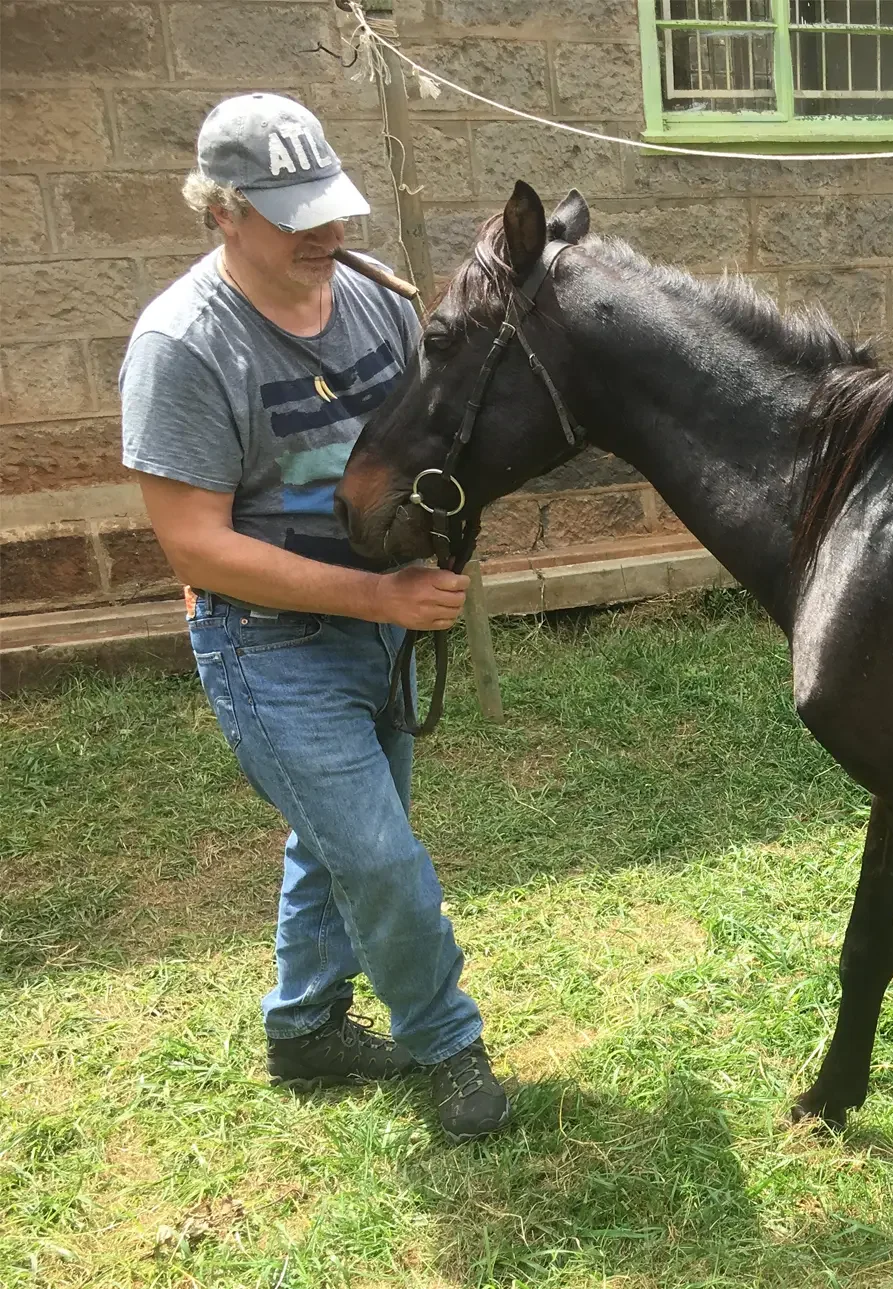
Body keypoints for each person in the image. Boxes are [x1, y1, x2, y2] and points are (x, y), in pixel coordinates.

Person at [118, 92, 509, 1141]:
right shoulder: (182, 346)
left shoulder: (374, 299)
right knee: (376, 855)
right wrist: (377, 593)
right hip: (268, 645)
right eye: (297, 216)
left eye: (331, 206)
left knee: (335, 837)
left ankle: (304, 1029)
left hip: (381, 627)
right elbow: (195, 546)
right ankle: (446, 1040)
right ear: (223, 211)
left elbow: (424, 439)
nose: (327, 232)